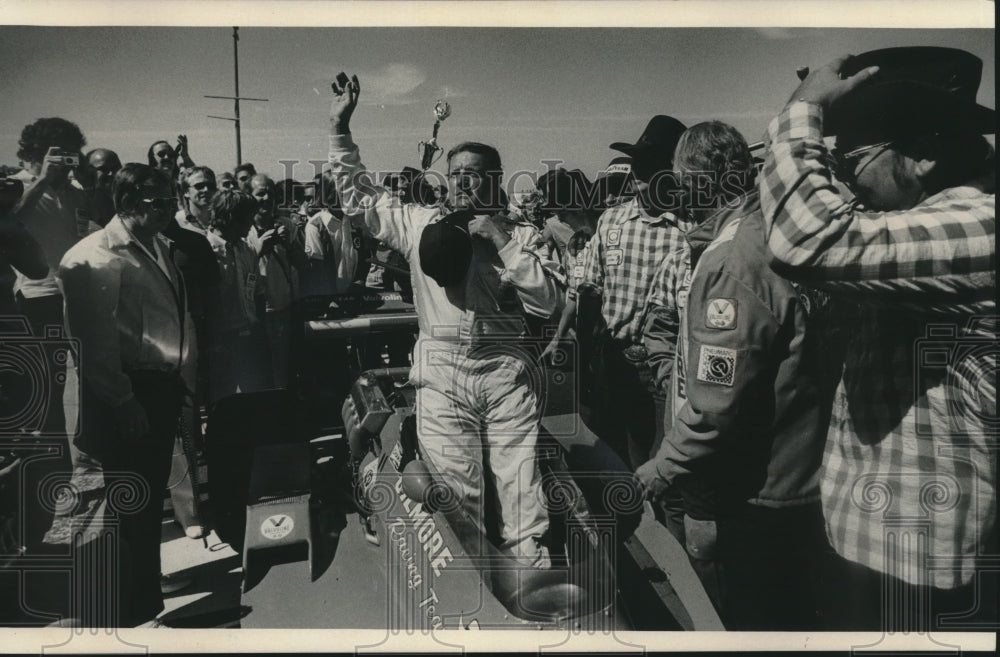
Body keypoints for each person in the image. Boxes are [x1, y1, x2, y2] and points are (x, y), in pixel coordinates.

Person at [759, 47, 996, 631]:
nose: (842, 182)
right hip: (879, 541)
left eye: (853, 161)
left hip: (916, 566)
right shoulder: (929, 221)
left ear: (924, 154)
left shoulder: (982, 227)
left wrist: (806, 108)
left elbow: (806, 241)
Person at [329, 72, 564, 567]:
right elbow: (361, 199)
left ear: (496, 180)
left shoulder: (523, 234)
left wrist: (499, 239)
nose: (462, 181)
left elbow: (550, 304)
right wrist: (340, 131)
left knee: (525, 497)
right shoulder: (420, 223)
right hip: (441, 370)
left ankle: (534, 589)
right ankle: (474, 603)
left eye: (474, 173)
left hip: (507, 372)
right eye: (456, 173)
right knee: (459, 499)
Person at [635, 121, 836, 629]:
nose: (674, 194)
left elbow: (716, 403)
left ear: (699, 181)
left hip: (756, 492)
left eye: (679, 180)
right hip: (799, 477)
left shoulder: (730, 259)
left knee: (748, 619)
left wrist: (661, 468)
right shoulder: (773, 232)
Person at [58, 163, 196, 627]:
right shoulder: (95, 255)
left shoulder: (156, 244)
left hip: (158, 388)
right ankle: (120, 615)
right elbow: (93, 344)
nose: (170, 209)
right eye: (160, 202)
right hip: (127, 393)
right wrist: (122, 401)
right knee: (125, 506)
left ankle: (140, 602)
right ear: (129, 203)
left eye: (172, 200)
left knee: (144, 505)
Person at [577, 115, 690, 470]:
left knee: (661, 464)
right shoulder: (611, 221)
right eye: (638, 164)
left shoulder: (689, 229)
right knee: (615, 454)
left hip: (664, 368)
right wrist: (582, 358)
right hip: (612, 359)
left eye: (652, 166)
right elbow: (590, 288)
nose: (641, 176)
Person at [204, 188, 271, 404]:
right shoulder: (206, 250)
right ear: (231, 217)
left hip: (249, 337)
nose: (251, 224)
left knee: (255, 400)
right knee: (223, 402)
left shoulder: (247, 250)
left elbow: (258, 292)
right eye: (247, 218)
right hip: (221, 342)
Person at [246, 173, 308, 388]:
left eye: (270, 193)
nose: (266, 198)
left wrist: (289, 245)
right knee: (256, 372)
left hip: (282, 310)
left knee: (282, 372)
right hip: (253, 313)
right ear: (249, 196)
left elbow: (304, 264)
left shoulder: (286, 224)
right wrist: (258, 249)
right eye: (260, 193)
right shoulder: (243, 229)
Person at [301, 172, 357, 297]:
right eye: (336, 190)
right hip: (330, 297)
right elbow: (317, 268)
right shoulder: (315, 225)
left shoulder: (354, 221)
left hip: (353, 295)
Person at [77, 148, 122, 227]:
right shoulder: (80, 203)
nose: (111, 173)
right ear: (89, 173)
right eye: (104, 169)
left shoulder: (129, 204)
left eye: (115, 168)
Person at [176, 166, 216, 234]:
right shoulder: (177, 222)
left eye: (211, 186)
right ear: (186, 192)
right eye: (199, 186)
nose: (206, 190)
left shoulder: (224, 220)